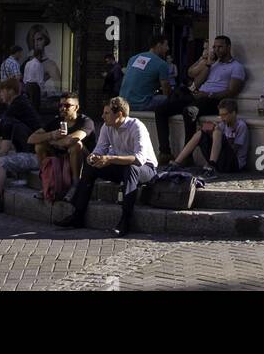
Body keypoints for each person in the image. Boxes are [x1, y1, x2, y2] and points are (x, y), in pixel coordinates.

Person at [59, 96, 157, 236]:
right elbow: (100, 149)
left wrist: (110, 159)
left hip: (146, 169)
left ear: (119, 114)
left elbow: (139, 159)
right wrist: (92, 157)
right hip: (119, 165)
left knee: (131, 169)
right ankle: (77, 215)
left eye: (106, 113)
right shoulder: (107, 126)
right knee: (91, 167)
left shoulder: (136, 126)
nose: (102, 116)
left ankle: (125, 221)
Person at [153, 34, 245, 164]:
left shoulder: (237, 67)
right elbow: (197, 83)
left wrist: (209, 95)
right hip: (199, 96)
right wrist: (207, 65)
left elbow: (232, 91)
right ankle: (164, 152)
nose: (216, 50)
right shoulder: (212, 64)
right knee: (161, 109)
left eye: (220, 47)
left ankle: (187, 156)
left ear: (228, 48)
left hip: (214, 100)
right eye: (215, 47)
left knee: (189, 111)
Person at [28, 93, 95, 187]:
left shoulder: (86, 122)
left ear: (76, 107)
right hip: (61, 156)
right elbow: (31, 139)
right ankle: (45, 179)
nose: (63, 108)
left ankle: (76, 184)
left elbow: (72, 140)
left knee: (76, 145)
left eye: (67, 105)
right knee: (39, 146)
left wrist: (53, 141)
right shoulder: (57, 120)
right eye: (60, 105)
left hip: (84, 160)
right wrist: (51, 134)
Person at [169, 97, 249, 177]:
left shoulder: (241, 126)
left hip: (234, 164)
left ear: (234, 113)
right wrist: (208, 132)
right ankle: (176, 163)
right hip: (221, 161)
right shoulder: (223, 124)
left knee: (217, 132)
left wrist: (217, 135)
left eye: (225, 115)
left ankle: (211, 166)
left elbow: (234, 149)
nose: (222, 118)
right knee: (200, 133)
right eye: (220, 115)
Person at [119, 33, 173, 111]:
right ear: (158, 45)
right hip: (141, 104)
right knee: (170, 99)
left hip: (123, 103)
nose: (168, 48)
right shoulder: (162, 64)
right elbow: (166, 89)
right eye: (166, 45)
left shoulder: (133, 58)